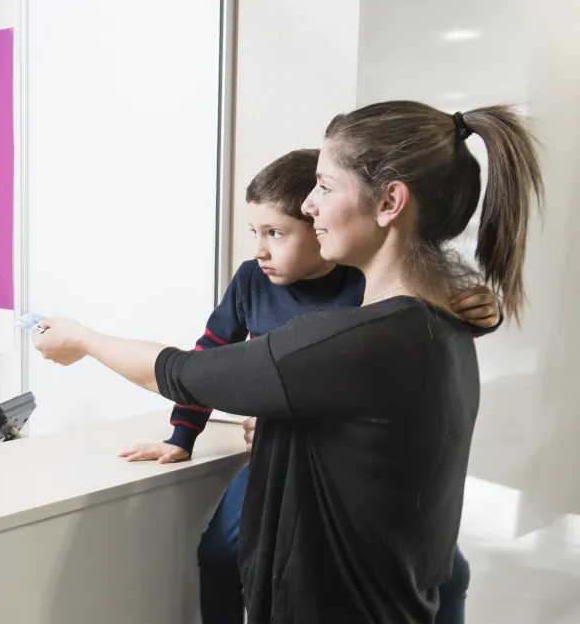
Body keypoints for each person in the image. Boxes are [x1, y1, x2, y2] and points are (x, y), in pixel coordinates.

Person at [33, 101, 543, 623]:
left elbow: (183, 373)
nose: (310, 205)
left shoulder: (359, 341)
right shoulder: (443, 324)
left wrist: (83, 338)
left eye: (324, 186)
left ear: (390, 201)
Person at [117, 149, 500, 624]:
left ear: (320, 228)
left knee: (448, 570)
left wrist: (483, 315)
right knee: (219, 555)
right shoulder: (252, 281)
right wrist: (181, 437)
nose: (259, 249)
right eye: (254, 232)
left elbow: (422, 337)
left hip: (353, 468)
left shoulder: (368, 288)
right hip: (280, 456)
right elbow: (207, 358)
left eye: (276, 233)